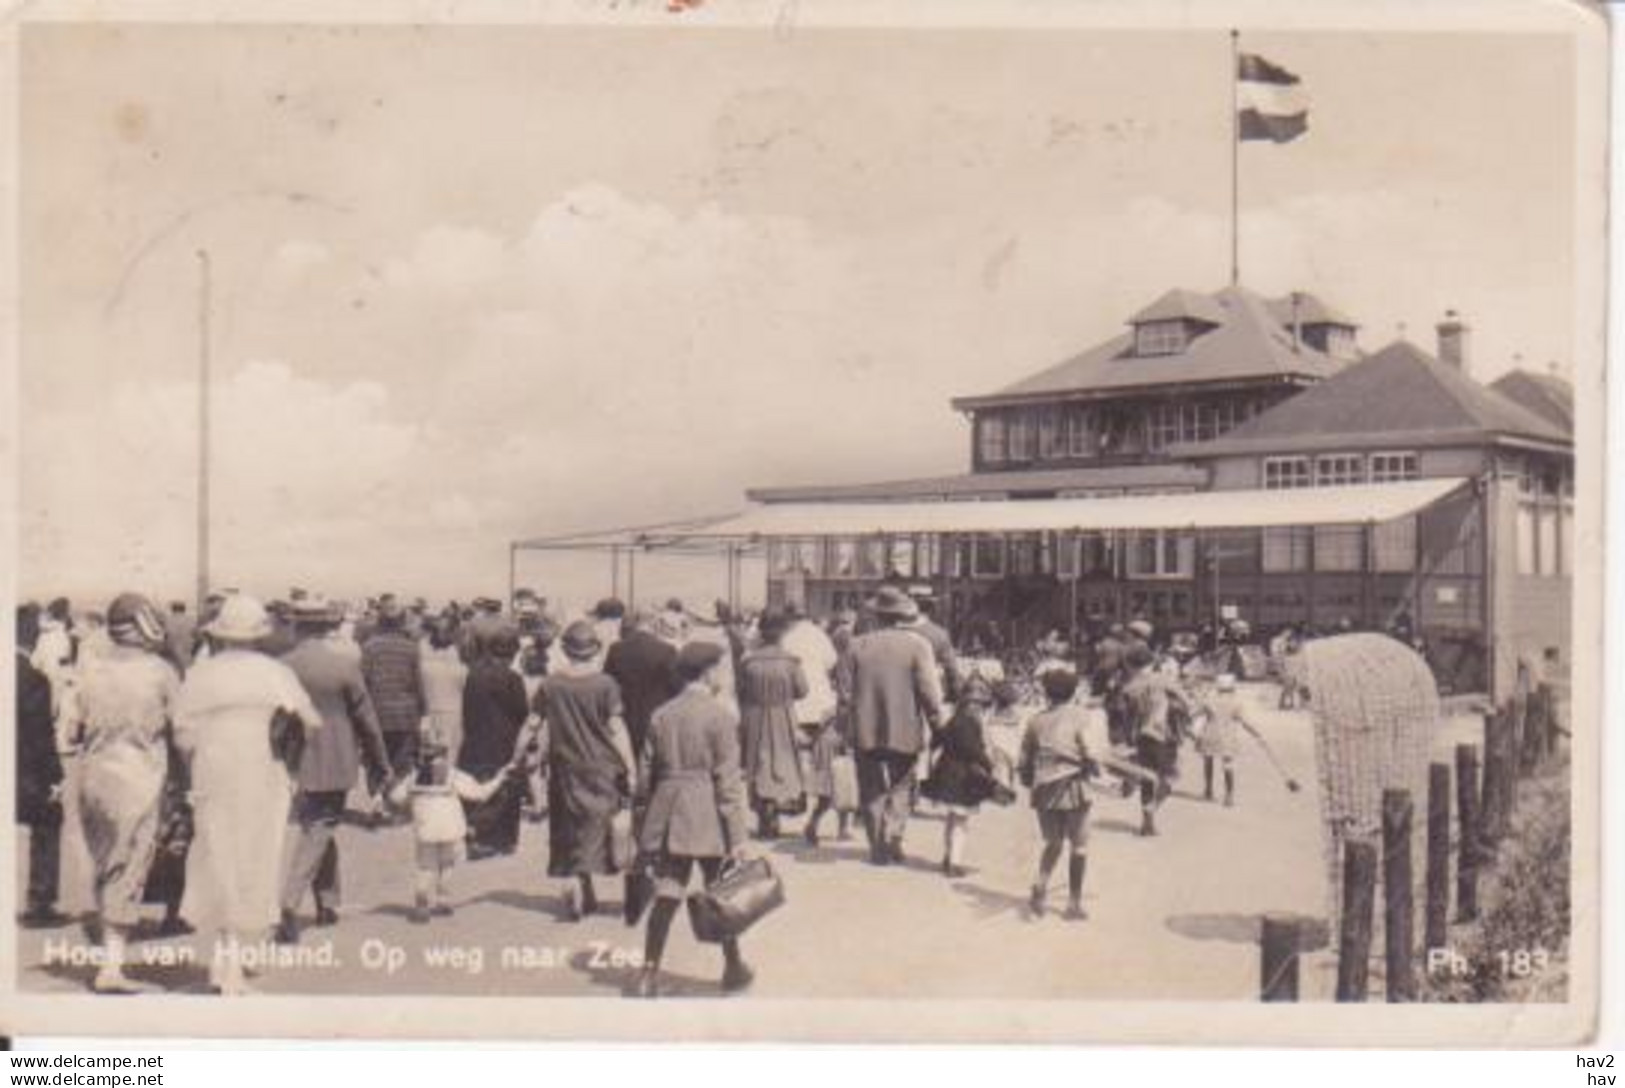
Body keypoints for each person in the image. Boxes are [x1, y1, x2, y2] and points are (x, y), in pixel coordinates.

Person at [174, 595, 320, 995]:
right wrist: (286, 750)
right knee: (254, 858)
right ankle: (234, 967)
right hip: (259, 768)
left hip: (213, 767)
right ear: (257, 634)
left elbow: (183, 736)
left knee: (216, 853)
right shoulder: (274, 672)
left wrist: (193, 774)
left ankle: (222, 964)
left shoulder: (201, 674)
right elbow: (311, 722)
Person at [66, 593, 180, 993]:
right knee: (128, 867)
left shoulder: (90, 670)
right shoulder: (160, 672)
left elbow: (70, 730)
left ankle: (107, 953)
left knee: (104, 864)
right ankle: (111, 968)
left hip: (93, 776)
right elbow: (180, 730)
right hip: (139, 778)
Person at [633, 640, 753, 998]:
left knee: (667, 892)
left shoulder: (661, 714)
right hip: (708, 815)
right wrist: (738, 837)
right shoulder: (720, 716)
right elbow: (728, 781)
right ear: (710, 671)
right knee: (720, 894)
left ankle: (648, 973)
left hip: (668, 812)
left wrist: (650, 815)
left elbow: (644, 777)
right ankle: (732, 966)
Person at [278, 596, 389, 942]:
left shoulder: (284, 665)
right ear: (329, 625)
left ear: (298, 624)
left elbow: (275, 721)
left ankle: (327, 902)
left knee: (319, 827)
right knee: (320, 827)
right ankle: (288, 901)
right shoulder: (344, 665)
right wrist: (380, 764)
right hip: (336, 758)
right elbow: (367, 720)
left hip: (293, 760)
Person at [534, 621, 635, 921]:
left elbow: (532, 724)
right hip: (601, 766)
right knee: (598, 825)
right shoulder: (606, 684)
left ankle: (579, 882)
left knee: (569, 824)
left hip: (564, 765)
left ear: (565, 650)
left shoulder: (551, 684)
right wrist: (629, 766)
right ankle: (582, 877)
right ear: (594, 651)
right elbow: (617, 729)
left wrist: (518, 758)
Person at [836, 585, 944, 866]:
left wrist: (843, 729)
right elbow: (929, 691)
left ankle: (876, 845)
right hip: (905, 726)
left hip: (865, 728)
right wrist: (936, 723)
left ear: (877, 614)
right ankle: (894, 835)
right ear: (902, 615)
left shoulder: (855, 645)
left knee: (870, 785)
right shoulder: (918, 646)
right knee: (903, 783)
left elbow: (845, 695)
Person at [386, 736, 514, 923]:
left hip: (425, 831)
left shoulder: (414, 777)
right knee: (448, 865)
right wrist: (500, 778)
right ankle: (443, 901)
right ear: (445, 755)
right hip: (451, 830)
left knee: (425, 867)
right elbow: (480, 793)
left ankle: (422, 899)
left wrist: (400, 794)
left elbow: (395, 798)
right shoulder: (453, 775)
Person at [1018, 668, 1095, 921]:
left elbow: (1025, 760)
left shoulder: (1035, 720)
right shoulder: (1081, 717)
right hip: (1074, 787)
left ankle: (1041, 884)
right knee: (1079, 846)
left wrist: (1030, 781)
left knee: (1053, 843)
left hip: (1045, 789)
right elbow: (1091, 751)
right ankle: (1073, 904)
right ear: (1073, 692)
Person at [15, 605, 68, 929]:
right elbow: (39, 737)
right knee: (49, 819)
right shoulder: (33, 679)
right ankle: (41, 900)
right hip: (23, 777)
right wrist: (55, 777)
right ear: (32, 637)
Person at [736, 610, 808, 840]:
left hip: (754, 716)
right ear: (783, 633)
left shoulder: (748, 663)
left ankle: (762, 813)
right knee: (782, 763)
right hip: (782, 717)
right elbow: (802, 690)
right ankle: (776, 808)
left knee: (757, 764)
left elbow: (740, 692)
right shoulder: (791, 661)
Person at [921, 674, 1001, 878]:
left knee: (952, 819)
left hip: (948, 773)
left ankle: (948, 857)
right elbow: (971, 750)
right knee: (960, 822)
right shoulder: (968, 722)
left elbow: (937, 741)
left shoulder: (954, 719)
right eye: (978, 704)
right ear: (970, 703)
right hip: (962, 777)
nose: (979, 708)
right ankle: (954, 863)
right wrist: (988, 764)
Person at [459, 628, 530, 857]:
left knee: (478, 785)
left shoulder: (474, 674)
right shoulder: (512, 678)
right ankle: (500, 839)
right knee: (506, 787)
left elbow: (467, 710)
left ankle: (475, 830)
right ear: (512, 652)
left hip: (476, 738)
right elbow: (522, 712)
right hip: (504, 740)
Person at [781, 603, 842, 845]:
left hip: (796, 706)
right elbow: (831, 662)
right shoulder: (819, 635)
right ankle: (818, 814)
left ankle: (799, 799)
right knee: (824, 762)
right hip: (822, 704)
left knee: (798, 758)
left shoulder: (786, 639)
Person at [1121, 643, 1188, 837]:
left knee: (1147, 779)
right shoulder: (1163, 680)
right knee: (1171, 777)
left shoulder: (1129, 688)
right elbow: (1186, 702)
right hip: (1163, 735)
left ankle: (1146, 825)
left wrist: (1129, 742)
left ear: (1130, 665)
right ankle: (1153, 807)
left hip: (1141, 737)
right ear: (1151, 661)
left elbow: (1127, 718)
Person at [361, 597, 427, 781]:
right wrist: (423, 711)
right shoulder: (411, 648)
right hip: (406, 715)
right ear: (402, 623)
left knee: (376, 763)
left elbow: (364, 683)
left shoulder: (369, 647)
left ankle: (378, 803)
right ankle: (396, 803)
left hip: (377, 714)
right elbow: (418, 684)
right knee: (402, 766)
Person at [603, 607, 680, 761]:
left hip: (625, 720)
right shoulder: (667, 651)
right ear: (653, 624)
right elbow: (676, 689)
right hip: (657, 721)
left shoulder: (616, 649)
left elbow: (606, 686)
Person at [420, 617, 469, 763]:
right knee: (451, 758)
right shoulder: (462, 670)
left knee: (429, 758)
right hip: (453, 715)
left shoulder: (423, 668)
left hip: (429, 714)